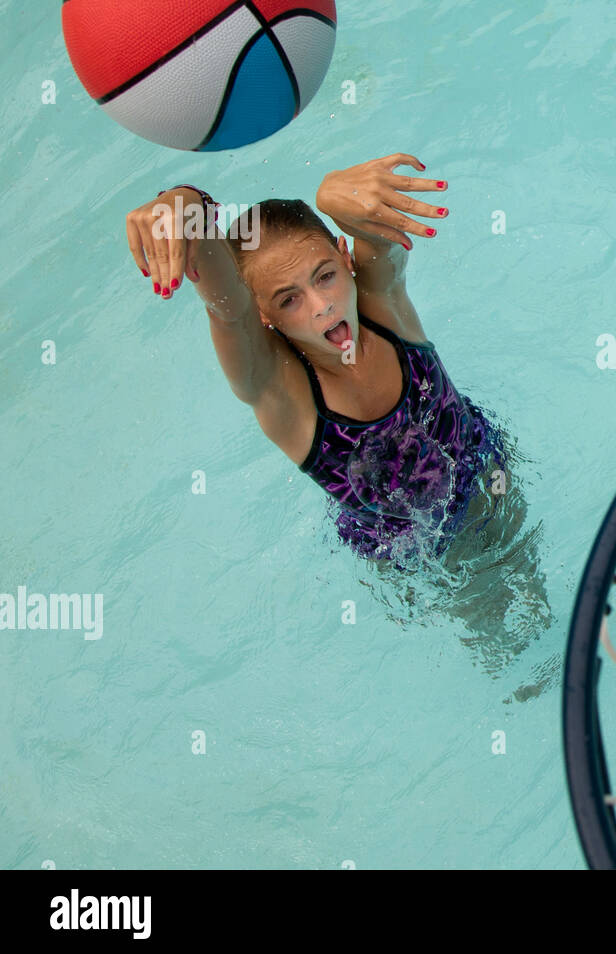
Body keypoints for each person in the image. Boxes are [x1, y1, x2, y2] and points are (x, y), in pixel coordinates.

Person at [125, 153, 554, 691]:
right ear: (266, 318)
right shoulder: (282, 395)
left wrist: (332, 197)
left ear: (346, 261)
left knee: (540, 601)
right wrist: (185, 204)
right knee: (501, 644)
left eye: (325, 276)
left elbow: (376, 224)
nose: (323, 305)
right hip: (420, 551)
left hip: (487, 471)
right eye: (290, 299)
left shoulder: (382, 301)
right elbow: (225, 308)